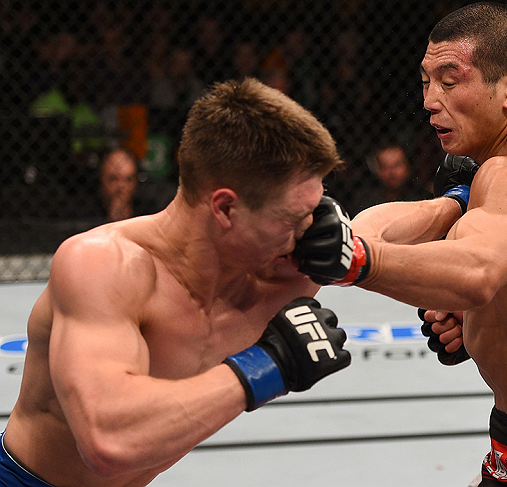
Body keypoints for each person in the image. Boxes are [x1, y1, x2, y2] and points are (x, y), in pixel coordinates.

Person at [294, 2, 507, 487]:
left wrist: (358, 261)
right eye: (426, 81)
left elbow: (474, 274)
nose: (431, 100)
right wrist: (490, 321)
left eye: (450, 83)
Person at [1, 78, 351, 487]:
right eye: (295, 216)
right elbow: (109, 441)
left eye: (315, 208)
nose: (311, 228)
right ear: (225, 208)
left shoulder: (283, 269)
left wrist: (442, 206)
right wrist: (267, 366)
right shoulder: (104, 265)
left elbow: (384, 232)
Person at [349, 143, 431, 216]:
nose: (391, 172)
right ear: (377, 170)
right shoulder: (365, 201)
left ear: (408, 166)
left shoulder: (422, 198)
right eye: (384, 166)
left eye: (397, 165)